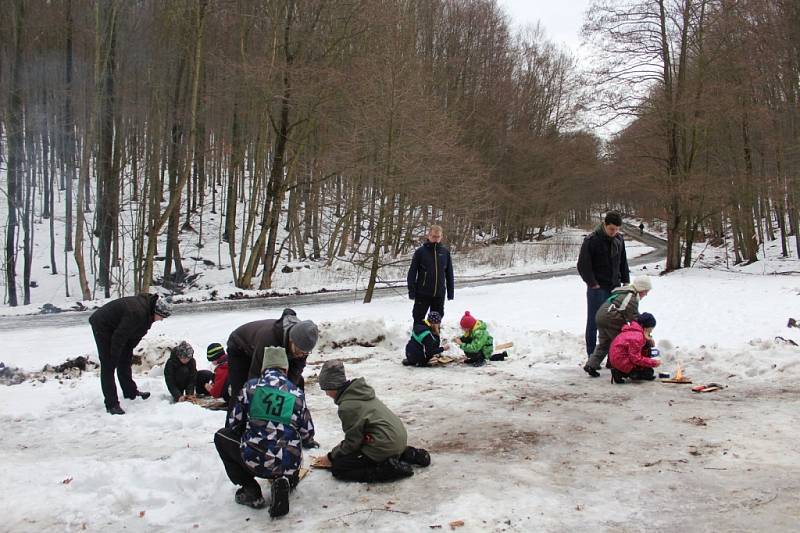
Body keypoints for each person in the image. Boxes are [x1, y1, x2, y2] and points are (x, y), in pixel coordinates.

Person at [213, 347, 315, 518]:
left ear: (263, 368)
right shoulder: (296, 392)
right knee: (287, 445)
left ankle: (251, 490)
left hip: (256, 460)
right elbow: (307, 433)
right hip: (290, 462)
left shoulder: (250, 388)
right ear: (285, 368)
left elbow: (233, 424)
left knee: (221, 437)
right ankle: (285, 479)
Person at [315, 360, 430, 482]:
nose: (327, 394)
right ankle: (407, 454)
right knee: (360, 451)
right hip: (397, 439)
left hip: (384, 445)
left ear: (333, 386)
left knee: (340, 467)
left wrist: (331, 457)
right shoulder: (361, 393)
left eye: (326, 389)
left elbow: (353, 443)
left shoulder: (348, 406)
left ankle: (386, 470)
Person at [88, 293, 171, 415]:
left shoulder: (148, 312)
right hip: (103, 325)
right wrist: (114, 355)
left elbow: (136, 333)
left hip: (118, 327)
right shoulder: (137, 312)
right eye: (162, 316)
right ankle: (112, 404)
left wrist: (127, 351)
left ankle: (130, 392)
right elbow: (119, 336)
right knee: (108, 365)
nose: (162, 319)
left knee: (125, 359)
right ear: (157, 311)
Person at [225, 308, 319, 407]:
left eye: (305, 353)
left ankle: (293, 412)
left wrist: (285, 396)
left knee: (297, 383)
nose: (301, 355)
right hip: (240, 347)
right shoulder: (269, 341)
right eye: (299, 351)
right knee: (241, 392)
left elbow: (294, 374)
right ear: (291, 340)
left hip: (273, 347)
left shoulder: (303, 343)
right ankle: (238, 420)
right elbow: (255, 375)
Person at [577, 212, 630, 362]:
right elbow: (583, 265)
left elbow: (623, 262)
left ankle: (612, 357)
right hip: (597, 288)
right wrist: (593, 283)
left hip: (615, 287)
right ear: (605, 225)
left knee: (613, 323)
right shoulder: (592, 240)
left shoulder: (619, 239)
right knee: (594, 322)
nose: (614, 232)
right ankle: (592, 357)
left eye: (617, 229)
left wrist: (626, 281)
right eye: (612, 229)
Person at [583, 275, 652, 377]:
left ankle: (591, 365)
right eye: (646, 291)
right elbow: (635, 319)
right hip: (612, 319)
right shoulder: (631, 298)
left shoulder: (624, 292)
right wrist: (646, 334)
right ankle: (622, 369)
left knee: (604, 343)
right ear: (641, 289)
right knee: (621, 345)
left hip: (600, 316)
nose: (646, 294)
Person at [407, 224, 455, 324]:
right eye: (433, 236)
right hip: (423, 293)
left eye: (438, 237)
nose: (436, 239)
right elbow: (412, 272)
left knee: (436, 322)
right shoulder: (420, 252)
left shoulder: (445, 253)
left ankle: (434, 339)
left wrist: (450, 292)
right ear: (428, 236)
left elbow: (449, 274)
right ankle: (417, 339)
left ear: (441, 237)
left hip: (439, 294)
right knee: (418, 319)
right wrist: (411, 290)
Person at [608, 313, 661, 384]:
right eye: (650, 329)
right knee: (645, 374)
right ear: (644, 327)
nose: (651, 332)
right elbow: (636, 359)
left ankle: (621, 370)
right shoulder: (638, 337)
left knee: (648, 371)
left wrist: (648, 341)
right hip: (621, 360)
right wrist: (653, 362)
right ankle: (619, 372)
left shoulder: (632, 330)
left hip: (616, 358)